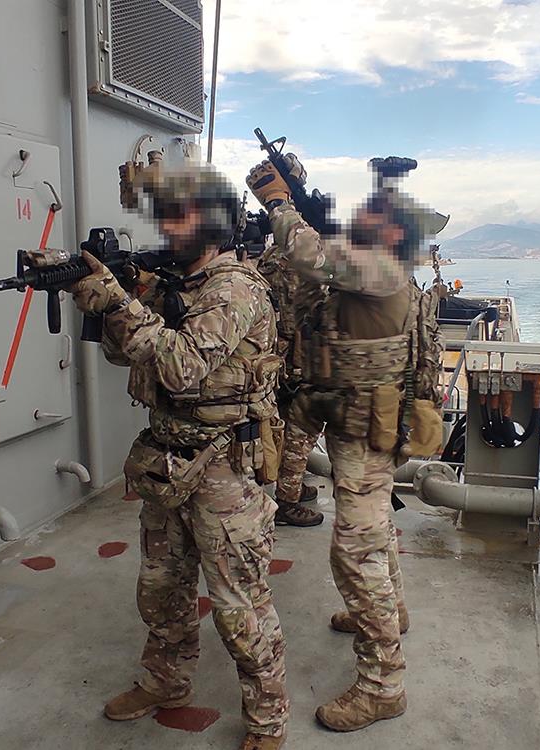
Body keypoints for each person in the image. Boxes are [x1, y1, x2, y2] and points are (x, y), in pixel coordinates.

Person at [68, 160, 289, 750]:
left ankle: (268, 718)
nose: (167, 226)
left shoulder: (234, 289)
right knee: (161, 589)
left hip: (224, 468)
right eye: (164, 215)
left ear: (213, 221)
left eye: (181, 215)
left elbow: (181, 365)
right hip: (168, 459)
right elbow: (127, 356)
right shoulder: (179, 284)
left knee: (239, 607)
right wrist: (109, 305)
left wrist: (120, 303)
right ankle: (165, 682)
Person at [247, 157, 440, 732]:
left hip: (365, 431)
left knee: (354, 552)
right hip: (355, 420)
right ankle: (392, 611)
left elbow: (312, 255)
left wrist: (280, 205)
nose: (360, 222)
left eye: (372, 218)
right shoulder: (375, 265)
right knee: (373, 530)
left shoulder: (381, 267)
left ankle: (383, 686)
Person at [255, 227, 326, 528]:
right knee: (302, 429)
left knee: (281, 424)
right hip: (300, 357)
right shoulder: (307, 261)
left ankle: (289, 485)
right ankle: (287, 501)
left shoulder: (269, 258)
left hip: (275, 356)